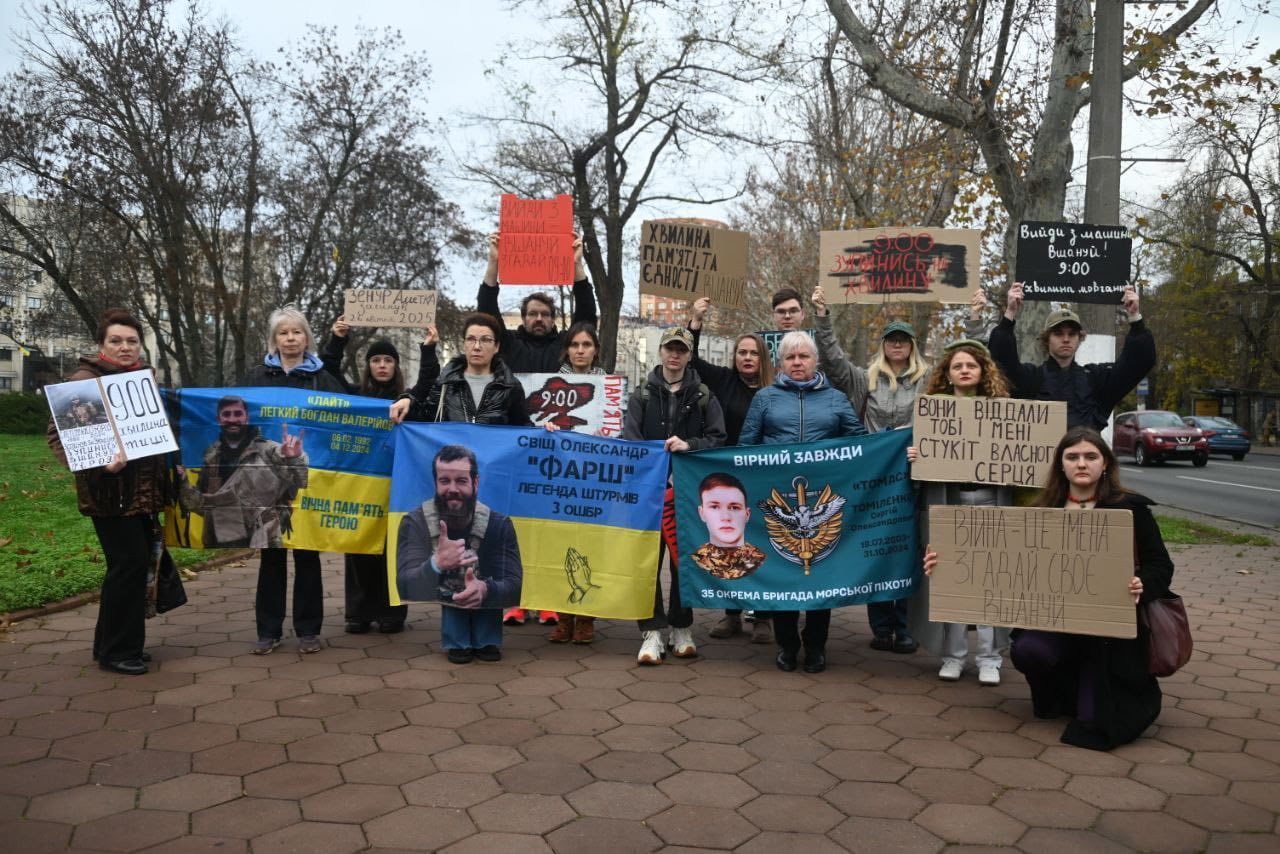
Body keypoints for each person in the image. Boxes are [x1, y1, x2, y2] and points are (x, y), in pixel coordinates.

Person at [927, 427, 1175, 750]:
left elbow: (1161, 565)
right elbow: (997, 566)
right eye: (1072, 457)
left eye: (1090, 456)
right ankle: (1058, 690)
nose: (1081, 464)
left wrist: (1143, 582)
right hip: (1057, 621)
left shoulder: (1131, 509)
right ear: (1061, 465)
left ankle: (1100, 689)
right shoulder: (1043, 511)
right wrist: (943, 564)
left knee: (1095, 724)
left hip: (1108, 636)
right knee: (1029, 650)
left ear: (1105, 464)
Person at [47, 308, 172, 676]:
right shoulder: (83, 380)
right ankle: (118, 652)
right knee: (128, 565)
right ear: (101, 344)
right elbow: (58, 437)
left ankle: (113, 643)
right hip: (109, 494)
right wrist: (100, 463)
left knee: (128, 567)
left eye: (132, 341)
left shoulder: (142, 377)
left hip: (143, 493)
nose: (125, 347)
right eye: (116, 340)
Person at [739, 330, 867, 674]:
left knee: (820, 573)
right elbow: (746, 447)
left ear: (815, 361)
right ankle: (786, 645)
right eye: (791, 358)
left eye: (804, 357)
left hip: (820, 502)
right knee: (782, 571)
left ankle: (815, 645)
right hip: (777, 501)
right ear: (781, 363)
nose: (797, 363)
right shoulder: (765, 398)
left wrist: (898, 449)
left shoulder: (836, 399)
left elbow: (861, 445)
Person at [812, 284, 926, 654]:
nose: (897, 346)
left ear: (912, 346)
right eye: (891, 340)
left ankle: (905, 626)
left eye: (903, 340)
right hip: (874, 477)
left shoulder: (929, 382)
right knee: (877, 545)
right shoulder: (865, 379)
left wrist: (974, 324)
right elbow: (831, 361)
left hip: (913, 475)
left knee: (908, 548)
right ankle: (880, 626)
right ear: (883, 344)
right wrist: (822, 317)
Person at [238, 305, 347, 655]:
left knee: (307, 556)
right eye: (283, 333)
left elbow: (348, 412)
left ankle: (308, 630)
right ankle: (268, 631)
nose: (290, 338)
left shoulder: (322, 377)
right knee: (270, 556)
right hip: (266, 481)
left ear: (307, 338)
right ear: (273, 339)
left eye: (296, 332)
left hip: (309, 479)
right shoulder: (256, 377)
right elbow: (235, 416)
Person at [907, 339, 1013, 686]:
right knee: (949, 578)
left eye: (971, 365)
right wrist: (916, 456)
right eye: (958, 366)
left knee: (989, 581)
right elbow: (920, 461)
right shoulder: (932, 412)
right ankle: (953, 656)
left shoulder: (1003, 410)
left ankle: (989, 658)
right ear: (947, 375)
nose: (965, 370)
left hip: (989, 501)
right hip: (948, 501)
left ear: (983, 372)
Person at [624, 326, 727, 665]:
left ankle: (681, 627)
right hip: (650, 495)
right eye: (670, 347)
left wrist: (689, 445)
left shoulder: (703, 394)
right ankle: (652, 630)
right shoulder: (641, 394)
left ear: (689, 354)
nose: (675, 354)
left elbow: (717, 437)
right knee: (647, 562)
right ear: (661, 351)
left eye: (681, 349)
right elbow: (631, 438)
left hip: (687, 493)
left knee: (684, 560)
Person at [320, 322, 429, 635]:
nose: (382, 365)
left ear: (396, 366)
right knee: (358, 547)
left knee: (394, 547)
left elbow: (427, 382)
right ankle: (358, 613)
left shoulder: (409, 402)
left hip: (398, 485)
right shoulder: (356, 396)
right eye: (377, 360)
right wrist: (338, 339)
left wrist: (428, 348)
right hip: (361, 484)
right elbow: (329, 372)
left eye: (388, 361)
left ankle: (391, 613)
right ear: (368, 366)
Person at [686, 296, 775, 642]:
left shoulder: (776, 390)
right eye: (742, 352)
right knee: (730, 544)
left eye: (753, 353)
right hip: (729, 478)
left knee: (763, 543)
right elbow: (691, 360)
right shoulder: (723, 381)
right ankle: (732, 613)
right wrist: (696, 322)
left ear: (762, 358)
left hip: (765, 477)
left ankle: (765, 617)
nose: (747, 358)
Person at [396, 445, 523, 664]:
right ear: (435, 482)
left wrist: (486, 589)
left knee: (487, 587)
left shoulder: (498, 524)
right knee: (454, 588)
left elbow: (515, 583)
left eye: (461, 481)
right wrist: (435, 564)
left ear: (475, 482)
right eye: (444, 481)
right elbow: (404, 583)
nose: (452, 489)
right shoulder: (415, 522)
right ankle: (457, 641)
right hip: (447, 592)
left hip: (488, 594)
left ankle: (487, 640)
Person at [989, 283, 1155, 430]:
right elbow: (1001, 363)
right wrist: (1010, 312)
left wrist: (1134, 316)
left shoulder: (1095, 380)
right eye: (1058, 333)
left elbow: (1138, 362)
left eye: (1072, 334)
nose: (1066, 339)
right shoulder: (1032, 379)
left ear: (1079, 339)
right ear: (1047, 340)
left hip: (1084, 463)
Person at [544, 322, 610, 644]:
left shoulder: (608, 387)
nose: (581, 350)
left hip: (592, 480)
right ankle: (562, 616)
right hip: (558, 477)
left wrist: (606, 436)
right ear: (567, 349)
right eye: (575, 345)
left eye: (587, 344)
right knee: (558, 546)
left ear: (596, 349)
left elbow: (619, 434)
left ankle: (586, 619)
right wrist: (544, 430)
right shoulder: (546, 386)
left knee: (587, 548)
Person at [176, 395, 308, 549]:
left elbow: (299, 482)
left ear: (247, 417)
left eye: (238, 413)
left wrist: (295, 459)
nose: (232, 419)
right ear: (219, 419)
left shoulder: (269, 450)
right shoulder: (211, 456)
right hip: (223, 541)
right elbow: (202, 505)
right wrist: (183, 481)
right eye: (226, 414)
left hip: (264, 542)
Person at [476, 231, 598, 373]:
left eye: (545, 314)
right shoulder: (508, 343)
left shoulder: (566, 344)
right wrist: (493, 261)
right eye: (533, 313)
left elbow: (586, 314)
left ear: (553, 320)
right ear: (523, 318)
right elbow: (487, 310)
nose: (539, 319)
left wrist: (577, 265)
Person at [390, 312, 532, 427]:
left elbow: (524, 431)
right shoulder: (446, 384)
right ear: (464, 344)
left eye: (485, 340)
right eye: (471, 339)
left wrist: (547, 432)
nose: (477, 346)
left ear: (496, 347)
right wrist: (407, 400)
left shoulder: (510, 387)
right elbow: (420, 420)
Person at [691, 472, 766, 579]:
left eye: (734, 507)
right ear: (701, 513)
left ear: (747, 514)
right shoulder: (694, 560)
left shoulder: (760, 560)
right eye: (714, 507)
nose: (726, 517)